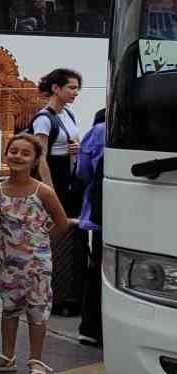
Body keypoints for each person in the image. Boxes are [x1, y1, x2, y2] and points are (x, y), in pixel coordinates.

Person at [0, 133, 72, 374]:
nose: (18, 156)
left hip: (37, 265)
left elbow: (62, 224)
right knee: (9, 309)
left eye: (25, 153)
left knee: (37, 311)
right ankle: (6, 356)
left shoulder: (44, 192)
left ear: (34, 161)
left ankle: (36, 360)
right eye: (14, 151)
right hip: (6, 263)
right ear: (6, 154)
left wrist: (40, 245)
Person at [30, 67, 86, 316]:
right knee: (51, 237)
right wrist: (49, 190)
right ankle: (45, 290)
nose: (75, 93)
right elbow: (40, 158)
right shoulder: (44, 118)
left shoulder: (69, 114)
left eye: (77, 88)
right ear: (56, 88)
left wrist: (76, 149)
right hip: (55, 182)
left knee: (66, 236)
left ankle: (64, 289)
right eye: (71, 88)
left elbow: (71, 145)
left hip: (69, 181)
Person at [75, 109, 107, 346]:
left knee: (98, 267)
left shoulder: (99, 131)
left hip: (102, 211)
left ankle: (90, 327)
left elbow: (83, 171)